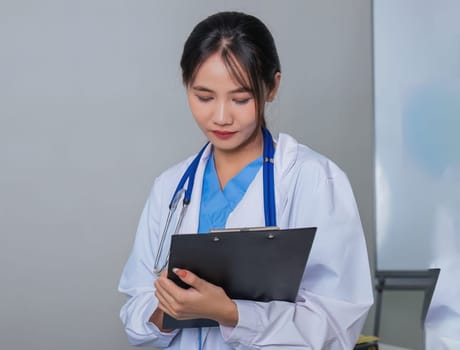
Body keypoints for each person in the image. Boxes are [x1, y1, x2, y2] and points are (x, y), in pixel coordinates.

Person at [118, 11, 373, 349]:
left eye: (240, 98)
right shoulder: (171, 186)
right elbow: (136, 311)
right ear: (186, 86)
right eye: (204, 97)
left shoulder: (313, 180)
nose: (221, 116)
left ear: (272, 87)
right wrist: (169, 310)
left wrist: (232, 314)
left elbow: (337, 325)